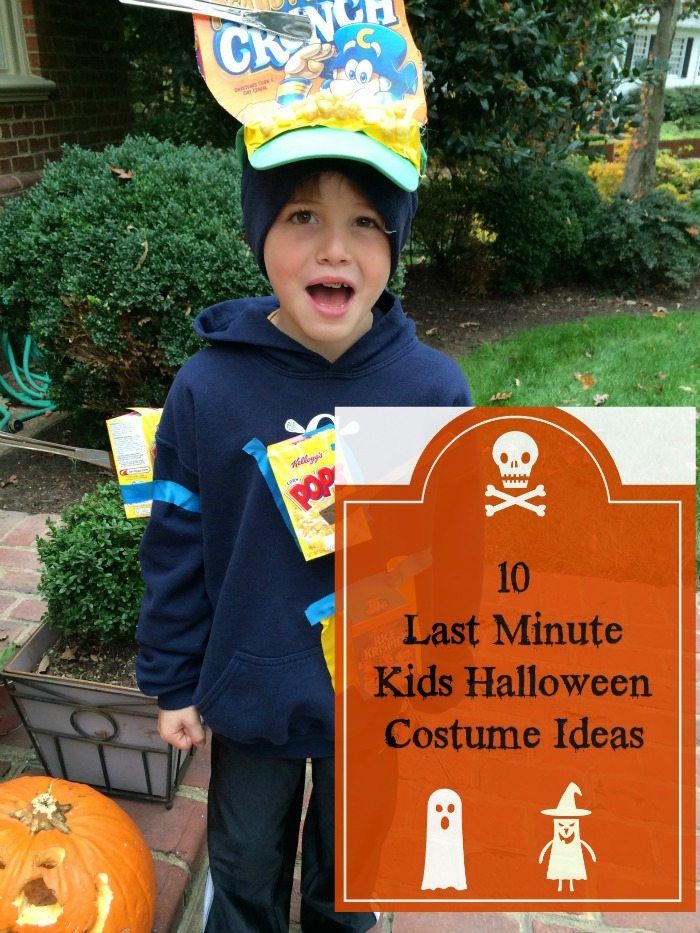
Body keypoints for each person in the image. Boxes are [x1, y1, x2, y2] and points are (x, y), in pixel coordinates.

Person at [135, 138, 472, 931]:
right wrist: (175, 679)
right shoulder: (207, 387)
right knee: (246, 867)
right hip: (253, 689)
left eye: (365, 222)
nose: (333, 246)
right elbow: (177, 544)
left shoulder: (432, 390)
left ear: (395, 244)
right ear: (260, 236)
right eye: (302, 216)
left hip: (377, 692)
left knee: (351, 876)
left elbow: (456, 550)